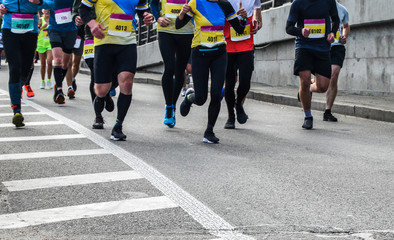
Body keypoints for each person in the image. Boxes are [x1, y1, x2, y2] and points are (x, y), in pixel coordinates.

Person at [79, 0, 154, 141]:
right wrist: (92, 23)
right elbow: (82, 9)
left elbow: (143, 10)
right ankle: (103, 96)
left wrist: (147, 16)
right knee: (101, 89)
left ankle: (118, 126)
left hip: (127, 41)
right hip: (104, 42)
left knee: (126, 81)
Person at [176, 0, 247, 143]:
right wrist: (182, 13)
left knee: (216, 93)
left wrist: (244, 18)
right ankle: (190, 98)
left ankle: (209, 131)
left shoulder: (225, 5)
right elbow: (179, 25)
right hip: (199, 54)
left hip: (219, 54)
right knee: (201, 99)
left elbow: (239, 29)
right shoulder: (195, 3)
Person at [286, 0, 339, 129]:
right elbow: (289, 28)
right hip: (303, 47)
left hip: (322, 48)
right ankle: (308, 116)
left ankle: (308, 89)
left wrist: (332, 32)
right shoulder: (297, 3)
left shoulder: (329, 2)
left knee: (323, 87)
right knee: (304, 81)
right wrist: (301, 31)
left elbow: (336, 20)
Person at [0, 0, 53, 127]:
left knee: (26, 68)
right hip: (9, 28)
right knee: (15, 67)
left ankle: (18, 88)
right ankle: (16, 110)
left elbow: (51, 4)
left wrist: (39, 1)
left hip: (30, 30)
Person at [72, 0, 116, 129]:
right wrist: (77, 18)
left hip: (114, 33)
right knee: (95, 74)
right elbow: (76, 10)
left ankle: (105, 92)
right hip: (90, 34)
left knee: (115, 72)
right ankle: (98, 116)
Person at [151, 0, 194, 128]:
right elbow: (153, 3)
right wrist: (158, 18)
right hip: (166, 31)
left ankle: (173, 105)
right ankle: (168, 107)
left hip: (186, 32)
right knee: (169, 67)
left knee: (180, 70)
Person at [223, 0, 262, 129]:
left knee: (245, 81)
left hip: (247, 44)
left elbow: (258, 18)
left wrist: (256, 23)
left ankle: (238, 103)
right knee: (229, 82)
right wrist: (233, 16)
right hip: (228, 44)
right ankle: (230, 116)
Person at [320, 1, 349, 122]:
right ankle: (310, 86)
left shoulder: (343, 10)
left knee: (333, 75)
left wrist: (344, 36)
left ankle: (327, 111)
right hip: (322, 46)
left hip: (337, 47)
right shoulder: (319, 6)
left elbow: (346, 26)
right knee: (322, 80)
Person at [48, 0, 78, 104]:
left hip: (70, 31)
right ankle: (60, 90)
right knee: (58, 60)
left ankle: (57, 84)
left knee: (65, 64)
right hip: (54, 29)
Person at [36, 9, 53, 90]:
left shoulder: (53, 19)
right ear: (42, 10)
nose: (47, 11)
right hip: (41, 43)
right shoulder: (40, 20)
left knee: (49, 62)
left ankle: (49, 80)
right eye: (45, 9)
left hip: (50, 43)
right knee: (43, 63)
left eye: (48, 9)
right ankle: (42, 81)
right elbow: (37, 32)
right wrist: (43, 26)